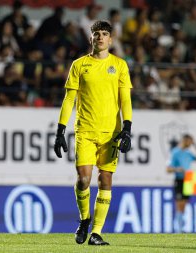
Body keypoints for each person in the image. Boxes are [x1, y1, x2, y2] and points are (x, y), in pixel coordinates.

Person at [54, 20, 133, 246]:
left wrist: (127, 128)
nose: (100, 37)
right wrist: (60, 130)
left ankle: (96, 233)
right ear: (91, 38)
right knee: (84, 179)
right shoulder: (79, 65)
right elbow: (69, 99)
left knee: (106, 179)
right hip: (85, 130)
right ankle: (84, 219)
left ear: (111, 39)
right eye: (96, 33)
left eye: (105, 34)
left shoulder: (119, 65)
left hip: (111, 134)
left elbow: (125, 100)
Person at [166, 134, 196, 233]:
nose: (191, 144)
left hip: (189, 179)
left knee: (185, 204)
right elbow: (168, 169)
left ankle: (180, 227)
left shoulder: (188, 153)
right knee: (179, 203)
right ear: (185, 140)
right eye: (190, 141)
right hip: (179, 180)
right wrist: (178, 169)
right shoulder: (175, 152)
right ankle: (178, 229)